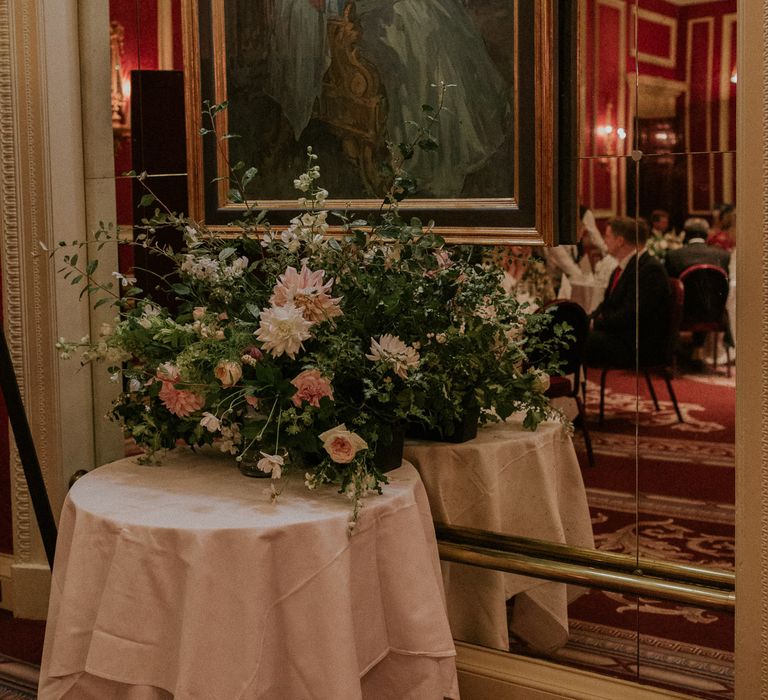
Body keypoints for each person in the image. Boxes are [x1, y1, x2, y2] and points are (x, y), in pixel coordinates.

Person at [266, 0, 512, 197]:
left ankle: (448, 137)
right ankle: (420, 150)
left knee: (433, 15)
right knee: (416, 25)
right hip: (348, 11)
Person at [584, 216, 671, 367]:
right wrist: (586, 320)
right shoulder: (623, 267)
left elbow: (631, 314)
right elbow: (606, 306)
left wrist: (595, 324)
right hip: (621, 336)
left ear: (620, 241)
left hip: (638, 346)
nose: (605, 241)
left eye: (607, 236)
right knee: (571, 332)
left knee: (572, 339)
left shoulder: (650, 269)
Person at [665, 217, 730, 278]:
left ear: (685, 235)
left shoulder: (672, 256)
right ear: (707, 235)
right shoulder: (724, 256)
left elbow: (672, 286)